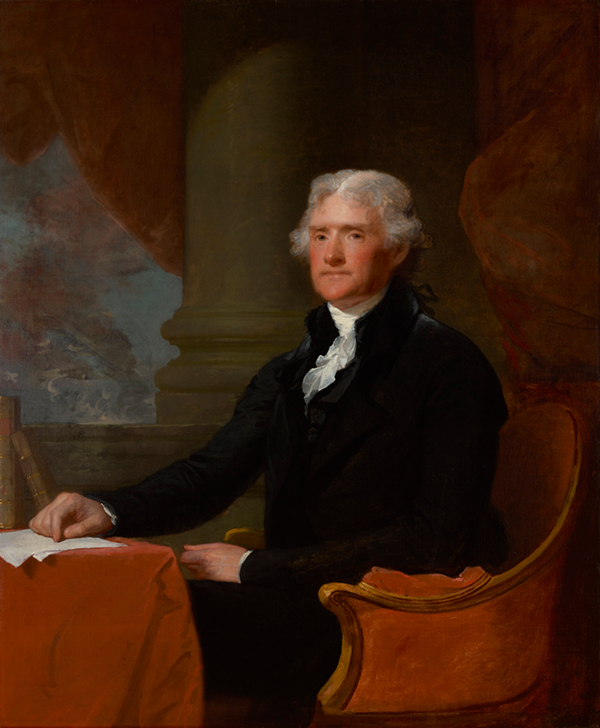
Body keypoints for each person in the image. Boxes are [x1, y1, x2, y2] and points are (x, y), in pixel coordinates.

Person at [30, 170, 508, 725]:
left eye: (353, 235)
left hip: (381, 614)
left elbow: (434, 539)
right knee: (109, 615)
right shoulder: (293, 367)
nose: (330, 254)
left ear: (396, 248)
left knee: (132, 630)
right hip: (294, 598)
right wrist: (109, 509)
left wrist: (259, 567)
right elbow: (211, 473)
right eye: (321, 235)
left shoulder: (449, 365)